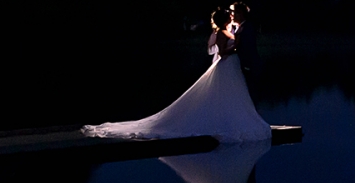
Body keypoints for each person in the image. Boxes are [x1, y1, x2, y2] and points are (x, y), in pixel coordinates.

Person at [83, 9, 272, 142]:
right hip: (226, 65)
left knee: (228, 96)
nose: (231, 17)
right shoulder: (222, 32)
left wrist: (235, 47)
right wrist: (235, 49)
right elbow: (222, 52)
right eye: (229, 16)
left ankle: (230, 119)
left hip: (230, 67)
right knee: (221, 95)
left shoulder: (226, 31)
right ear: (224, 20)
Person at [229, 1, 259, 85]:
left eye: (234, 13)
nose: (232, 15)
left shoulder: (247, 28)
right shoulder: (241, 27)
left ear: (240, 14)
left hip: (248, 67)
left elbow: (247, 48)